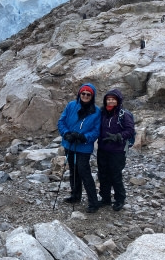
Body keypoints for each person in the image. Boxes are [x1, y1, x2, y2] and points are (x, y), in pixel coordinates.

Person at [58, 83, 101, 213]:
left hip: (84, 147)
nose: (85, 96)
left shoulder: (96, 111)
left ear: (92, 96)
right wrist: (66, 133)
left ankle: (93, 202)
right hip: (70, 143)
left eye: (88, 94)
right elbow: (61, 121)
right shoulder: (71, 105)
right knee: (73, 170)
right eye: (83, 93)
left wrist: (84, 137)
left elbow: (96, 130)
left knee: (84, 172)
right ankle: (75, 195)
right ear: (79, 94)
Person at [97, 89, 135, 211]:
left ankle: (120, 199)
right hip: (103, 149)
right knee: (103, 174)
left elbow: (130, 130)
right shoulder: (102, 113)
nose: (111, 101)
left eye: (113, 99)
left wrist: (118, 136)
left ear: (118, 100)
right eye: (108, 99)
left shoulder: (124, 114)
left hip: (117, 150)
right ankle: (105, 198)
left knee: (115, 175)